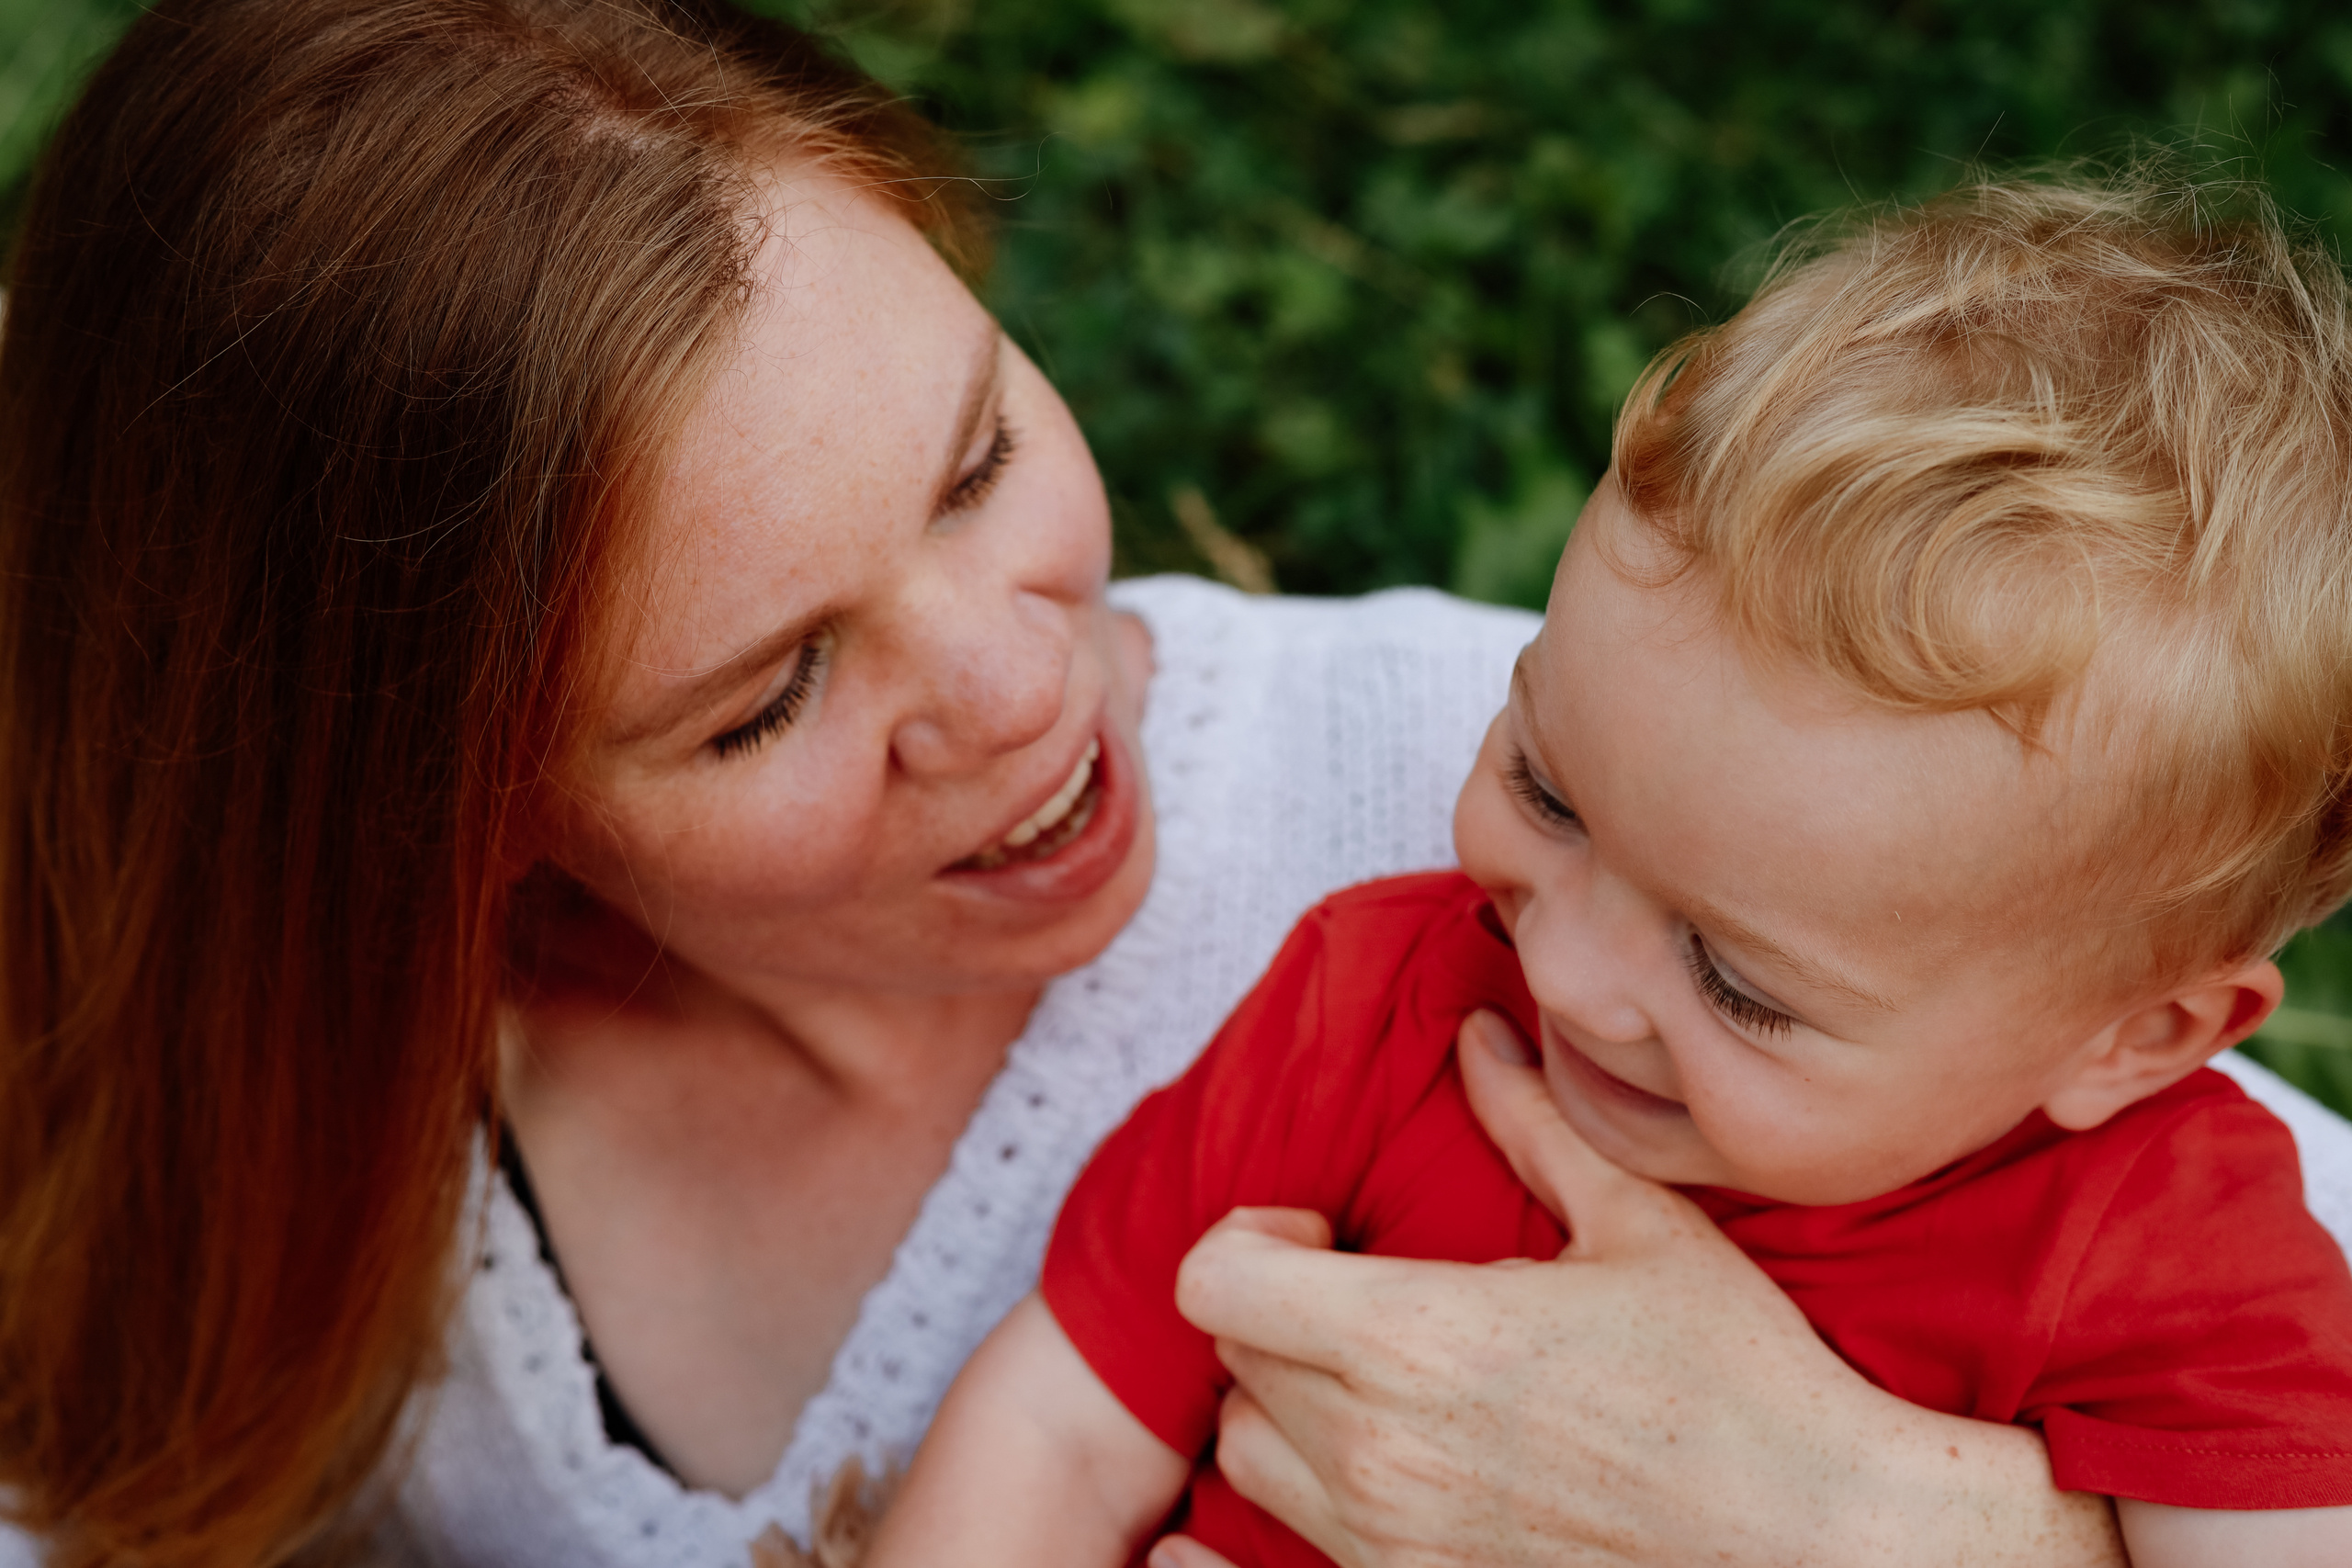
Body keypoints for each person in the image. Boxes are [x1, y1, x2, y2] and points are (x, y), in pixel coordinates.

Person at [0, 3, 2346, 1564]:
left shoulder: (1669, 794)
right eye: (766, 692)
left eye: (977, 453)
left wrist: (1888, 1532)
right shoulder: (252, 1051)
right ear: (428, 800)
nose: (1021, 684)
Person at [868, 176, 2352, 1568]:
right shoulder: (1380, 1000)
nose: (1562, 973)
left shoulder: (2169, 1259)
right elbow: (1060, 1430)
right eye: (1545, 788)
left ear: (2134, 1037)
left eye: (1735, 981)